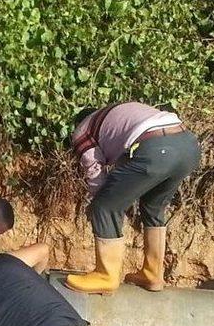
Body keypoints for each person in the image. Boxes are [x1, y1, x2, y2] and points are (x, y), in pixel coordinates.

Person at [65, 102, 201, 295]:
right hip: (189, 146)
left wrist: (103, 204)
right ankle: (153, 274)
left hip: (157, 149)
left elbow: (95, 173)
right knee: (153, 206)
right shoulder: (116, 117)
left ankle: (106, 276)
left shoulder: (82, 130)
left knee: (104, 206)